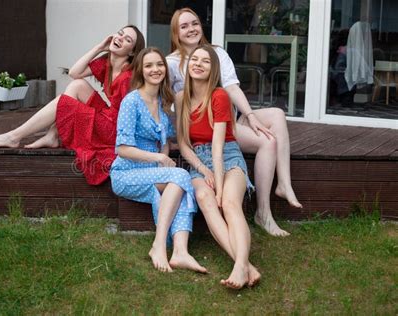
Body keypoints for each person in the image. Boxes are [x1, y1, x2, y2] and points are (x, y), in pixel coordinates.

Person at [167, 8, 302, 237]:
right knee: (268, 142)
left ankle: (283, 185)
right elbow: (166, 98)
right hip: (202, 127)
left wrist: (250, 116)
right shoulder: (171, 63)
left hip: (224, 119)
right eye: (184, 26)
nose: (191, 29)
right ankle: (264, 213)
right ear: (176, 34)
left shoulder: (217, 53)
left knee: (277, 115)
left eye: (195, 23)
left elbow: (230, 87)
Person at [0, 25, 145, 185]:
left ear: (131, 52)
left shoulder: (127, 77)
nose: (120, 38)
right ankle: (52, 134)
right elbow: (74, 73)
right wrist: (99, 47)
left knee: (64, 101)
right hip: (108, 115)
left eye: (127, 40)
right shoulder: (107, 63)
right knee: (77, 85)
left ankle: (15, 137)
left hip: (114, 129)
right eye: (120, 33)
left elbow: (133, 113)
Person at [110, 47, 206, 274]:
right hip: (126, 173)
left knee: (180, 185)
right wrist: (160, 158)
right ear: (141, 71)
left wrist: (164, 153)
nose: (155, 69)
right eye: (149, 65)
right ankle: (159, 244)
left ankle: (181, 251)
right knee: (182, 177)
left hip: (151, 172)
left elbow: (163, 140)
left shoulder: (162, 104)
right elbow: (122, 149)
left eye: (159, 64)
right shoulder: (131, 101)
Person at [176, 44, 260, 289]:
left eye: (205, 61)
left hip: (227, 156)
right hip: (198, 161)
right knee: (204, 197)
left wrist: (220, 187)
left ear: (213, 69)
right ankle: (246, 266)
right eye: (195, 59)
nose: (198, 64)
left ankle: (239, 264)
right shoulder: (181, 98)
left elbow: (218, 146)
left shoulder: (219, 95)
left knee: (230, 203)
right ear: (188, 65)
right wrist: (204, 171)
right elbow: (183, 144)